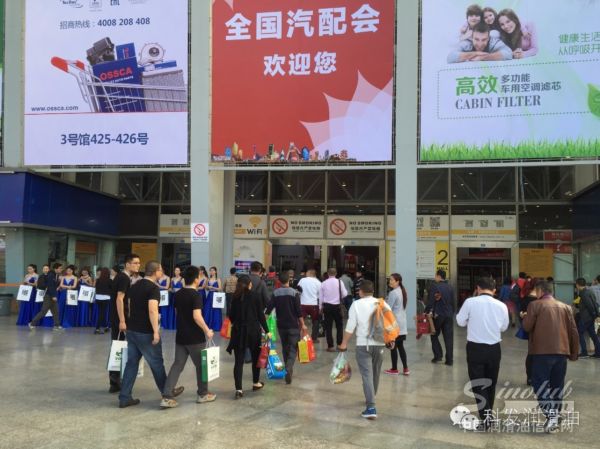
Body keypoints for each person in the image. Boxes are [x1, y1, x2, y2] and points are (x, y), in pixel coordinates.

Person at [119, 261, 183, 408]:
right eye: (161, 270)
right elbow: (152, 310)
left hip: (132, 330)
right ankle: (167, 394)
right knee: (157, 364)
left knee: (131, 364)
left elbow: (128, 306)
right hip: (146, 332)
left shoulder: (135, 286)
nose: (162, 273)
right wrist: (155, 331)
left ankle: (124, 397)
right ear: (156, 271)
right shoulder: (153, 288)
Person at [521, 279, 579, 434]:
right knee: (557, 385)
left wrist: (524, 317)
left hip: (541, 352)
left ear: (540, 291)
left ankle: (551, 415)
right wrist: (574, 353)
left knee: (539, 384)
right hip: (562, 352)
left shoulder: (535, 305)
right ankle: (556, 415)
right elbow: (574, 331)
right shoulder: (566, 307)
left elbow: (527, 327)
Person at [456, 278, 509, 430]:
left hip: (475, 348)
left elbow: (460, 322)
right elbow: (504, 327)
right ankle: (487, 414)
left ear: (477, 288)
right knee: (491, 382)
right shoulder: (502, 305)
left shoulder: (470, 302)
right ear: (494, 290)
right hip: (494, 349)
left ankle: (486, 417)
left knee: (478, 383)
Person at [161, 266, 216, 409]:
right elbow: (197, 316)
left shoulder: (178, 294)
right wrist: (207, 330)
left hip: (181, 335)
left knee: (177, 365)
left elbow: (177, 312)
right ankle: (203, 394)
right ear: (196, 279)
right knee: (201, 366)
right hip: (195, 337)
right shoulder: (195, 295)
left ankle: (167, 396)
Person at [339, 280, 391, 420]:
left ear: (360, 292)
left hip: (363, 345)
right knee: (375, 373)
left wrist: (344, 343)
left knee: (367, 375)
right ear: (372, 291)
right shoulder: (382, 303)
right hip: (380, 344)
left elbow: (350, 327)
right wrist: (391, 340)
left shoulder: (356, 304)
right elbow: (390, 322)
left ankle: (371, 406)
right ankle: (371, 396)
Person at [226, 275, 270, 399]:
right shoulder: (256, 296)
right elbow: (261, 316)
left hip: (238, 332)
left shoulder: (235, 297)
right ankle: (256, 383)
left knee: (238, 362)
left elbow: (231, 316)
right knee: (256, 359)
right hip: (253, 332)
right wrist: (267, 331)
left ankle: (238, 390)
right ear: (250, 284)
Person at [265, 271, 307, 384]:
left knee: (285, 347)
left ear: (279, 281)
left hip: (281, 326)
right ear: (289, 280)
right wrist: (303, 324)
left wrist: (263, 323)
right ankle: (288, 368)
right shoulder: (294, 293)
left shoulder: (276, 293)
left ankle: (288, 370)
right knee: (293, 348)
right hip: (293, 325)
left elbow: (268, 309)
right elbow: (298, 311)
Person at [109, 253, 140, 394]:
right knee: (119, 348)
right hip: (119, 318)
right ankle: (115, 381)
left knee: (117, 347)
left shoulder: (121, 277)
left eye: (139, 263)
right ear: (127, 264)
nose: (138, 265)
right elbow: (119, 299)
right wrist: (122, 320)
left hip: (117, 316)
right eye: (135, 263)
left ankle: (115, 382)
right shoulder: (124, 278)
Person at [427, 269, 455, 365]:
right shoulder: (450, 287)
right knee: (449, 338)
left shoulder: (435, 286)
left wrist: (426, 311)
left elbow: (431, 301)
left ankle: (438, 356)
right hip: (449, 315)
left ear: (438, 276)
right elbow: (453, 302)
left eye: (435, 276)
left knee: (434, 334)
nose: (435, 278)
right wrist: (451, 312)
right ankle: (449, 360)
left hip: (438, 315)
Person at [448, 22, 513, 63]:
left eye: (484, 40)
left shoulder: (493, 41)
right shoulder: (467, 43)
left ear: (488, 38)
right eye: (476, 39)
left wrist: (484, 57)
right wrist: (476, 53)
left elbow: (509, 53)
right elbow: (450, 57)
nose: (480, 44)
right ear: (472, 37)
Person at [384, 274, 409, 376]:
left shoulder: (393, 293)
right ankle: (406, 369)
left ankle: (394, 369)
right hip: (402, 323)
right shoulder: (402, 291)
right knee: (400, 346)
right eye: (389, 280)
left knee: (393, 346)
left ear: (397, 281)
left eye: (392, 280)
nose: (390, 282)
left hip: (395, 323)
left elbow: (388, 308)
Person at [320, 268, 348, 352]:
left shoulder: (323, 283)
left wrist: (320, 307)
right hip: (337, 306)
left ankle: (330, 346)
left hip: (327, 306)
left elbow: (321, 297)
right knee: (339, 326)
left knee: (328, 327)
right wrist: (338, 297)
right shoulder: (340, 282)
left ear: (328, 274)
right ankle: (339, 344)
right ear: (336, 274)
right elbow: (345, 294)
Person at [29, 263, 63, 330]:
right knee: (43, 311)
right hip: (48, 296)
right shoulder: (51, 275)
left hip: (53, 295)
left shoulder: (56, 275)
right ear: (56, 269)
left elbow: (54, 285)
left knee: (56, 311)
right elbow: (50, 286)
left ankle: (56, 325)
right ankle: (32, 323)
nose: (61, 269)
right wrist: (53, 296)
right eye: (60, 268)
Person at [574, 278, 600, 358]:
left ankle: (584, 352)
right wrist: (596, 315)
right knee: (593, 334)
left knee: (579, 332)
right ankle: (598, 352)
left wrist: (595, 315)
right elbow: (595, 304)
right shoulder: (590, 291)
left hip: (586, 317)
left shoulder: (583, 293)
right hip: (590, 317)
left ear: (577, 285)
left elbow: (590, 305)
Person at [297, 269, 322, 342]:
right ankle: (314, 338)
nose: (306, 274)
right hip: (314, 304)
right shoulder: (318, 282)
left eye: (307, 273)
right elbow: (320, 294)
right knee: (315, 321)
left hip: (303, 304)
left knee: (300, 321)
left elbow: (298, 290)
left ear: (310, 273)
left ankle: (297, 337)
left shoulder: (302, 280)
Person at [204, 266, 223, 331]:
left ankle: (216, 326)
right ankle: (207, 325)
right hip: (209, 295)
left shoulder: (218, 279)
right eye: (210, 270)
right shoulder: (208, 279)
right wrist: (208, 287)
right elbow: (206, 288)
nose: (211, 272)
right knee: (207, 309)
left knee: (216, 310)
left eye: (213, 270)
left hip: (216, 295)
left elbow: (220, 288)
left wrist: (212, 287)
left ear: (215, 271)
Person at [94, 267, 112, 334]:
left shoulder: (98, 280)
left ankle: (104, 327)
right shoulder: (109, 280)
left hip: (98, 298)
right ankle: (98, 328)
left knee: (101, 313)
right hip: (106, 298)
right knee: (103, 313)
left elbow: (95, 287)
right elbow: (112, 289)